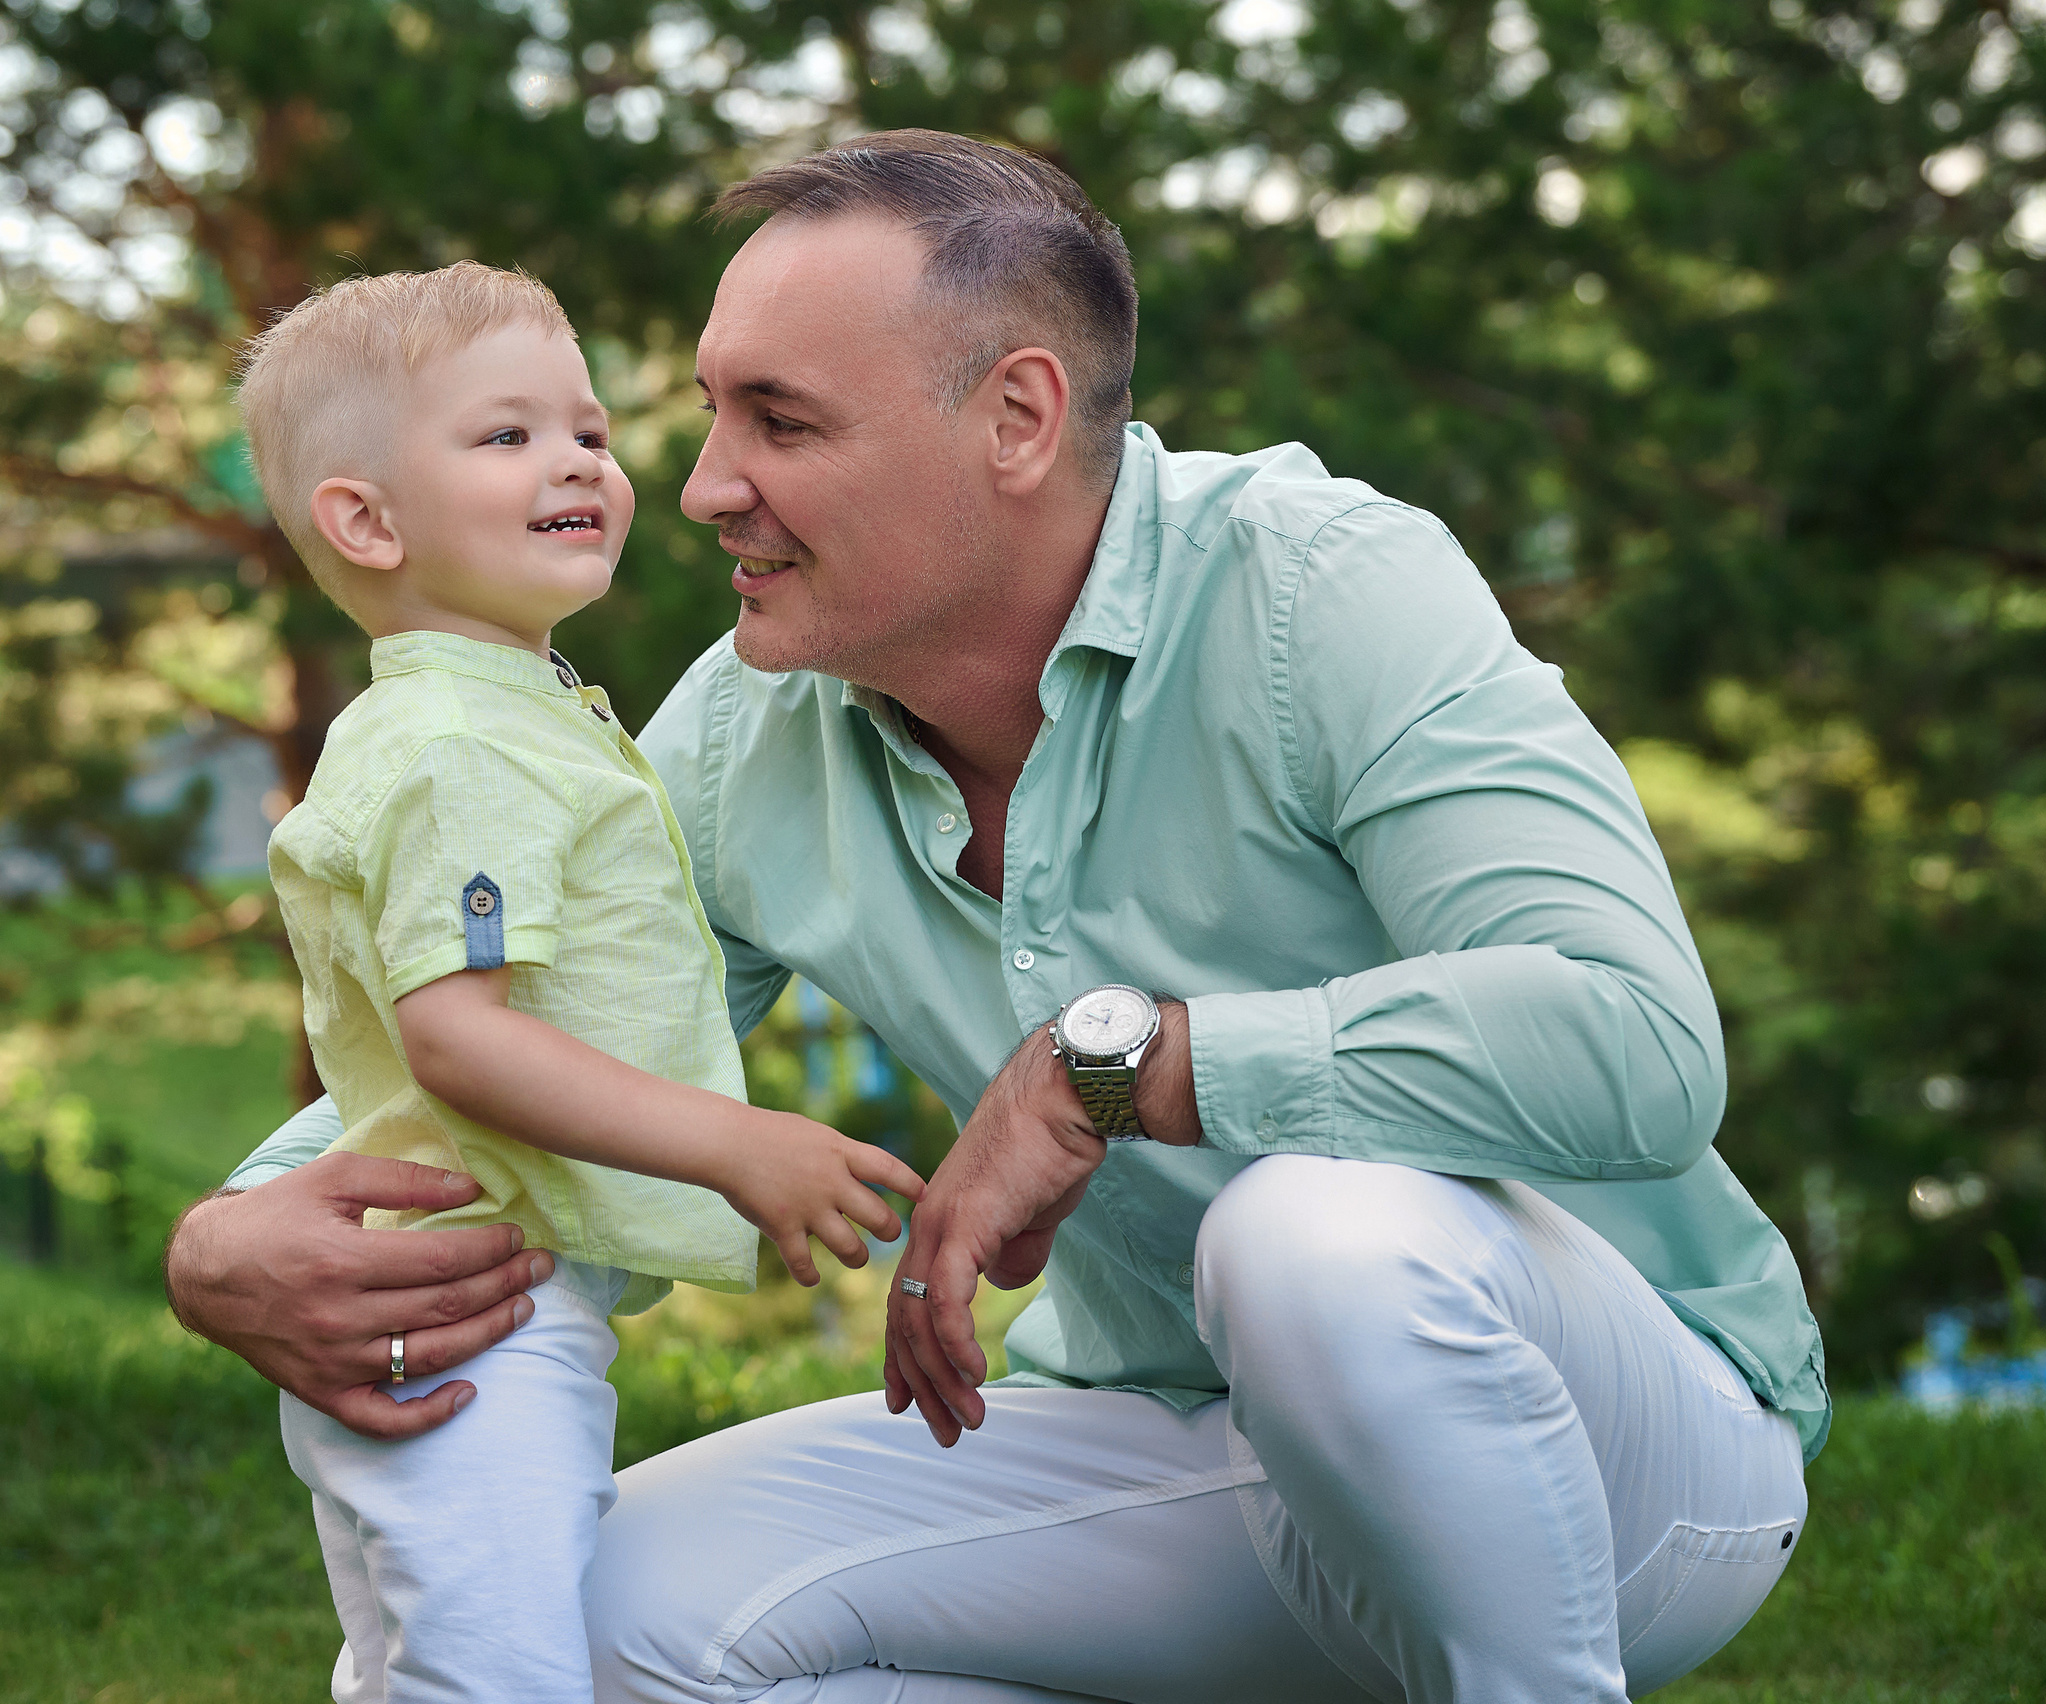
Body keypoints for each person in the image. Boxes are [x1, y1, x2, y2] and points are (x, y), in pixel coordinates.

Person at [173, 134, 1828, 1702]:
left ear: (1018, 419)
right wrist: (229, 1237)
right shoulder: (748, 726)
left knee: (1316, 1239)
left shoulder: (1321, 589)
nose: (699, 488)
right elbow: (511, 1024)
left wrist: (1111, 1068)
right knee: (586, 1632)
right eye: (703, 413)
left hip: (1612, 1462)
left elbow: (1636, 1045)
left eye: (781, 422)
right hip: (1169, 1447)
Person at [229, 260, 924, 1703]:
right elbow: (461, 1045)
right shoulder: (457, 747)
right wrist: (741, 1143)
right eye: (505, 437)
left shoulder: (505, 712)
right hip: (483, 1304)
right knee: (504, 1674)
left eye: (590, 433)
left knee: (427, 1664)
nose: (577, 464)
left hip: (472, 1289)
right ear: (363, 518)